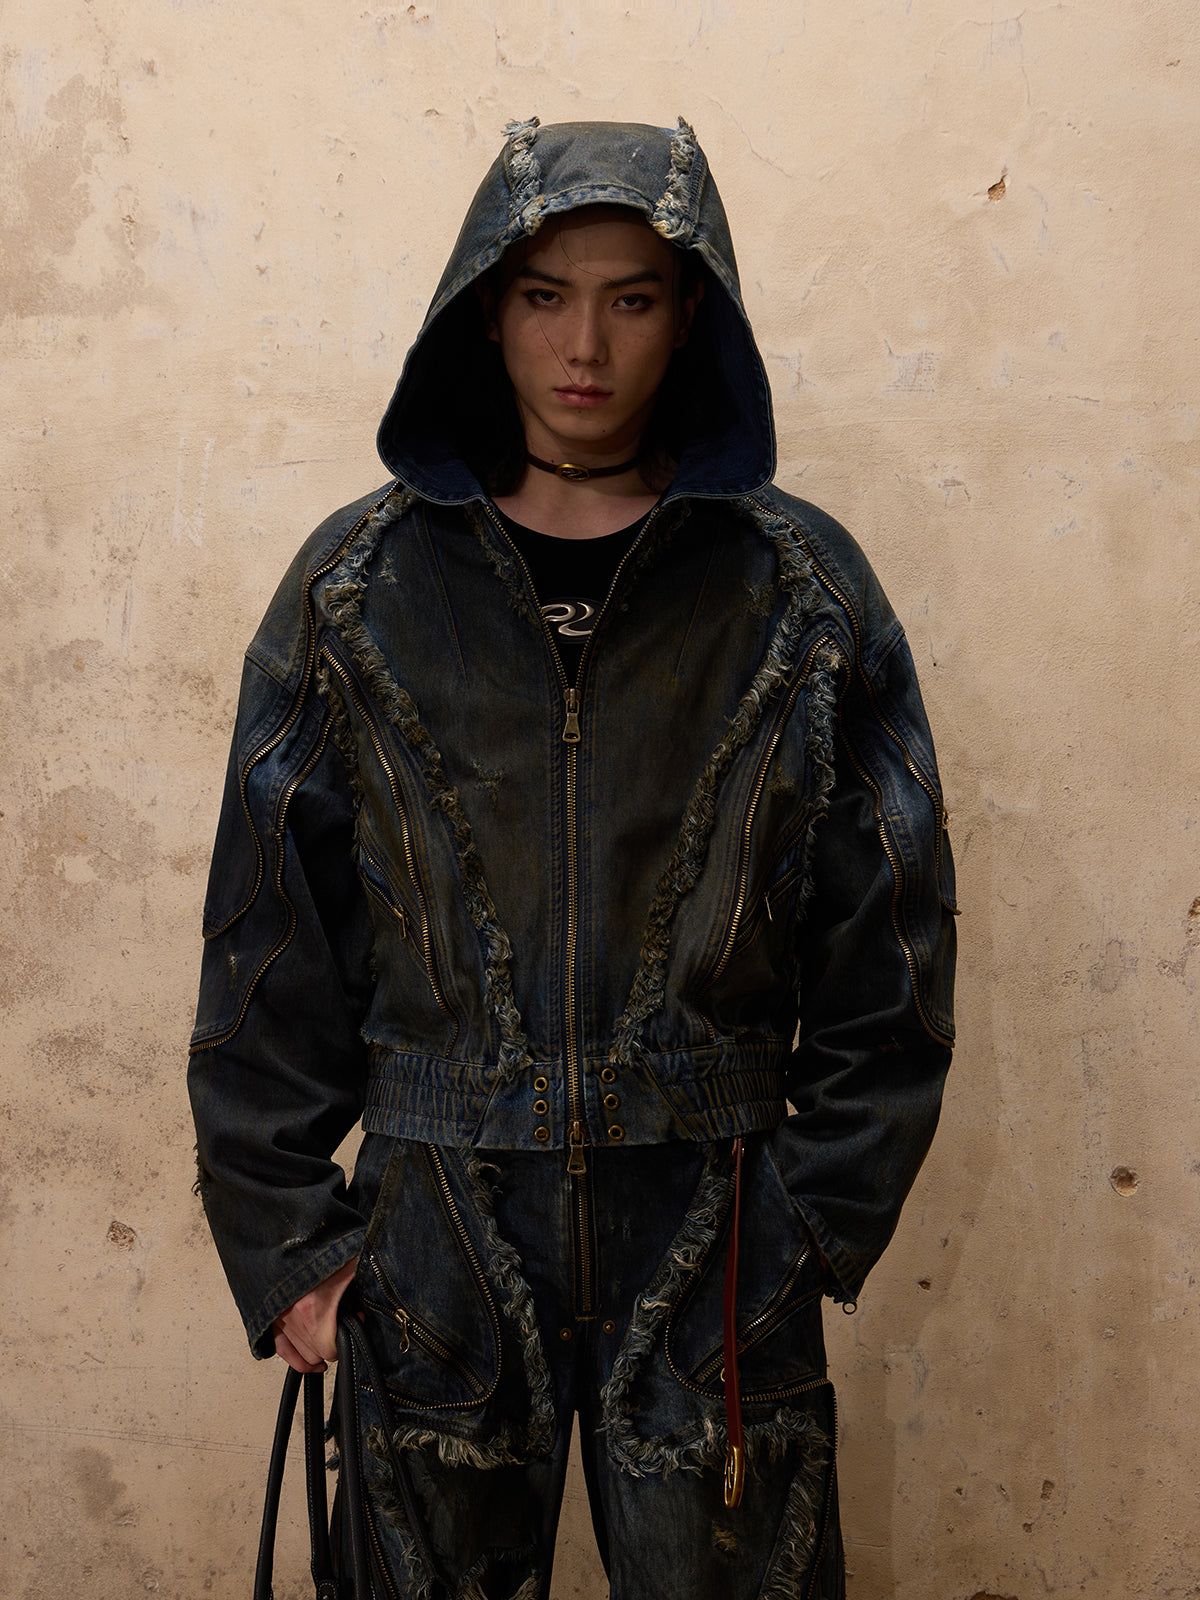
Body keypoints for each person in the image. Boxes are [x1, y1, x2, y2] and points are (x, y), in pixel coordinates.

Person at [189, 116, 956, 1600]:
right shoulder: (358, 590)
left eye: (632, 298)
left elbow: (897, 945)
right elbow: (267, 933)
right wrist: (291, 1245)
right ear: (488, 306)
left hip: (717, 1225)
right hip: (439, 1235)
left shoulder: (800, 593)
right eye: (545, 295)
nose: (584, 346)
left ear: (693, 313)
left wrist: (809, 1224)